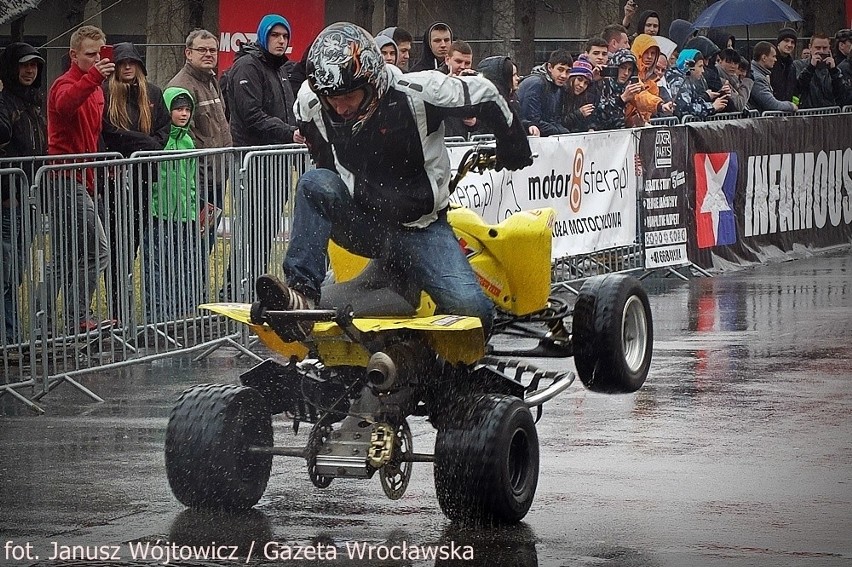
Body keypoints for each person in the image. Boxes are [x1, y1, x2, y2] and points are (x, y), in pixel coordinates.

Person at [255, 23, 532, 341]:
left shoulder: (422, 91)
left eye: (348, 96)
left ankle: (445, 368)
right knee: (315, 182)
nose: (341, 107)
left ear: (371, 82)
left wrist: (514, 145)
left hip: (422, 227)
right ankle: (301, 296)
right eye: (332, 99)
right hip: (366, 224)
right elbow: (323, 162)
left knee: (474, 312)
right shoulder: (312, 102)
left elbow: (487, 95)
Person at [47, 25, 114, 332]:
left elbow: (96, 133)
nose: (98, 60)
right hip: (64, 178)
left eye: (100, 53)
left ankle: (47, 320)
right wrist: (93, 78)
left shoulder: (96, 88)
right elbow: (65, 104)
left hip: (82, 178)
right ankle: (73, 318)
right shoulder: (66, 84)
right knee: (97, 249)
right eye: (90, 54)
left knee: (65, 256)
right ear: (73, 55)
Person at [100, 42, 170, 324]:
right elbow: (110, 132)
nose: (127, 67)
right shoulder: (105, 93)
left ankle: (127, 311)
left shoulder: (152, 93)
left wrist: (149, 145)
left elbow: (164, 130)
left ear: (140, 65)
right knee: (115, 248)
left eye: (132, 62)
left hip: (142, 180)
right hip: (114, 182)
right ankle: (117, 312)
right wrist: (145, 142)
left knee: (134, 245)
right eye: (122, 62)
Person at [167, 29, 233, 257]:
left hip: (217, 175)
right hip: (198, 180)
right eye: (202, 50)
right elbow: (183, 136)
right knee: (193, 244)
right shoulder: (183, 86)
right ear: (188, 53)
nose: (208, 54)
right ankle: (192, 291)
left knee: (207, 242)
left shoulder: (212, 81)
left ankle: (200, 291)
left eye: (212, 50)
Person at [0, 43, 47, 342]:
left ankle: (13, 337)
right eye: (23, 65)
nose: (29, 71)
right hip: (8, 201)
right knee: (4, 274)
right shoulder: (4, 102)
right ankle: (8, 339)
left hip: (29, 200)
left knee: (15, 274)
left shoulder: (35, 102)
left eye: (34, 65)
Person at [145, 87, 203, 323]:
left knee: (181, 264)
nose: (183, 114)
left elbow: (191, 179)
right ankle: (158, 314)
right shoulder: (161, 140)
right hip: (161, 212)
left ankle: (180, 311)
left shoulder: (188, 140)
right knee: (160, 265)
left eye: (187, 110)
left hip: (184, 215)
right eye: (178, 109)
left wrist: (194, 208)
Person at [226, 14, 298, 146]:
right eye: (275, 35)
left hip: (278, 154)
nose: (281, 40)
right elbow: (252, 116)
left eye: (285, 36)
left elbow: (288, 112)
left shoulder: (279, 67)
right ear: (264, 36)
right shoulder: (247, 66)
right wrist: (289, 132)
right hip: (253, 156)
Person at [475, 55, 540, 136]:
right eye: (513, 75)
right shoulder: (485, 102)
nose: (518, 78)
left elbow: (515, 122)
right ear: (502, 78)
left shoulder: (513, 98)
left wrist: (528, 126)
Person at [517, 49, 572, 136]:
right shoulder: (536, 83)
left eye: (568, 71)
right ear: (550, 67)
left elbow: (554, 119)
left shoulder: (557, 87)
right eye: (560, 70)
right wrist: (563, 132)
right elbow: (532, 120)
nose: (564, 75)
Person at [591, 48, 644, 130]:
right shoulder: (601, 83)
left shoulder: (628, 87)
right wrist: (622, 99)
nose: (626, 73)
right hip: (600, 135)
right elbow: (600, 114)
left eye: (630, 70)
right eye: (623, 67)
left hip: (621, 135)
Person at [793, 33, 846, 109]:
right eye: (817, 48)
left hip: (828, 114)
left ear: (829, 48)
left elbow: (841, 94)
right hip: (807, 114)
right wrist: (810, 68)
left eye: (824, 48)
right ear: (810, 47)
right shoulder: (798, 65)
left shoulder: (834, 67)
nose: (821, 51)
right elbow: (797, 88)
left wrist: (834, 71)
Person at [672, 50, 728, 120]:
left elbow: (692, 102)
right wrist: (712, 107)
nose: (703, 71)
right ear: (689, 66)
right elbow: (684, 108)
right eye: (700, 66)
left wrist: (708, 96)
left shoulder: (688, 80)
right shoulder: (678, 81)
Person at [748, 41, 798, 112]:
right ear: (764, 58)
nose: (775, 59)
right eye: (774, 56)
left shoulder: (759, 74)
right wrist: (791, 106)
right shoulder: (757, 78)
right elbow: (771, 104)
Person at [562, 59, 596, 132]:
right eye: (579, 79)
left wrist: (591, 127)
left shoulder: (585, 98)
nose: (582, 85)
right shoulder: (559, 94)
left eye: (586, 83)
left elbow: (591, 120)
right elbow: (558, 123)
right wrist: (578, 114)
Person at [770, 28, 800, 105]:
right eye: (786, 40)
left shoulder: (792, 66)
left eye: (792, 42)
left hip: (787, 110)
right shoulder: (770, 63)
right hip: (772, 109)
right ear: (779, 42)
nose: (789, 45)